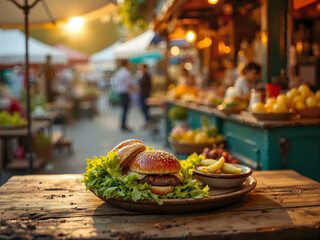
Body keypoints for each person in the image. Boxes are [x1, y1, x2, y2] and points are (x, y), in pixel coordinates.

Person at [114, 60, 137, 131]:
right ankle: (123, 125)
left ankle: (123, 124)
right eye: (129, 64)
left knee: (124, 109)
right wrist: (136, 89)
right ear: (126, 65)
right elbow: (129, 84)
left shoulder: (118, 72)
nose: (130, 66)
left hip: (120, 92)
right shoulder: (127, 73)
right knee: (125, 109)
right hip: (125, 93)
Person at [139, 64, 152, 128]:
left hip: (145, 95)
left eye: (141, 68)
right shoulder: (143, 75)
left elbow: (148, 87)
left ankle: (149, 122)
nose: (140, 69)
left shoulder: (146, 76)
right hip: (143, 94)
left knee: (145, 109)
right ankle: (148, 122)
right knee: (144, 109)